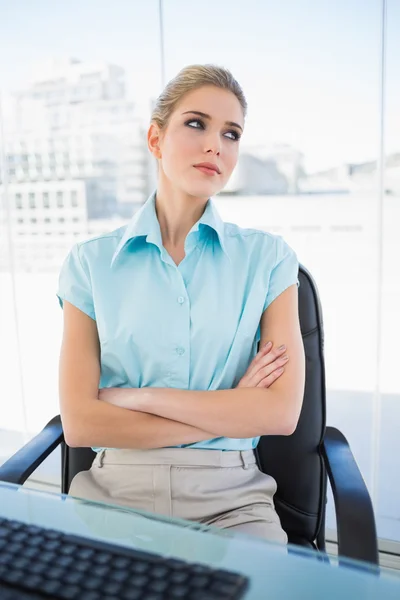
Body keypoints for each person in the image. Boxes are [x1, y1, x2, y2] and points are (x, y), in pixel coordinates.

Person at [57, 64, 306, 544]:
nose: (216, 144)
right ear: (155, 139)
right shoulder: (90, 264)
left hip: (234, 504)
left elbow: (278, 414)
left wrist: (139, 398)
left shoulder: (268, 259)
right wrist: (229, 406)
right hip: (112, 496)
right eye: (197, 124)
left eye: (231, 133)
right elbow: (81, 424)